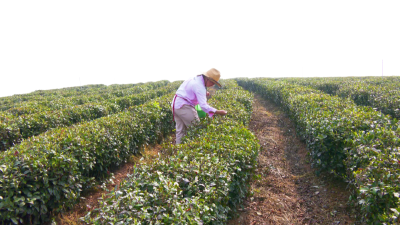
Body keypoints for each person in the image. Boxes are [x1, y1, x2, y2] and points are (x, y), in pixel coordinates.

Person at [171, 68, 228, 144]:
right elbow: (204, 106)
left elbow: (192, 90)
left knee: (180, 131)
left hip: (175, 105)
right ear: (208, 79)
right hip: (184, 106)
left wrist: (204, 93)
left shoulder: (195, 79)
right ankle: (194, 151)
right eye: (213, 82)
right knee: (197, 129)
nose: (213, 85)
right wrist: (218, 112)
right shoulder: (200, 86)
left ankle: (178, 152)